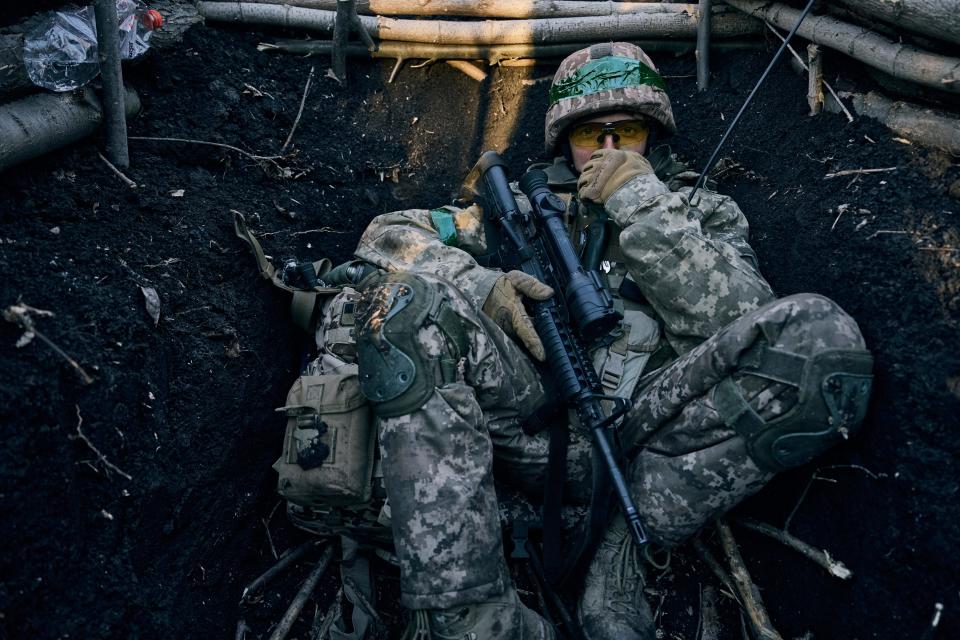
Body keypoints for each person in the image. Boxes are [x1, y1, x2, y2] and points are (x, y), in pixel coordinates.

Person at [307, 43, 873, 640]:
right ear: (563, 143)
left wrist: (639, 203)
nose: (607, 150)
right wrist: (484, 285)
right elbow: (387, 236)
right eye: (589, 135)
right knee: (410, 308)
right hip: (531, 420)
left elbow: (746, 321)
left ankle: (625, 544)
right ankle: (474, 617)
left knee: (820, 338)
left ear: (652, 136)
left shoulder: (701, 211)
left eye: (625, 132)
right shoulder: (522, 210)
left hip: (652, 434)